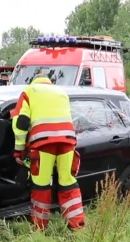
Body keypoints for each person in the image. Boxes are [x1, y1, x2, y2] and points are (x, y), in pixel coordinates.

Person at [11, 72, 85, 231]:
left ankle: (40, 227)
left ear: (34, 81)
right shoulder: (61, 92)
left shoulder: (30, 91)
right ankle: (77, 225)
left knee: (41, 185)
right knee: (68, 182)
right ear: (49, 81)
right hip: (67, 142)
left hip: (43, 143)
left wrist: (19, 151)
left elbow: (21, 123)